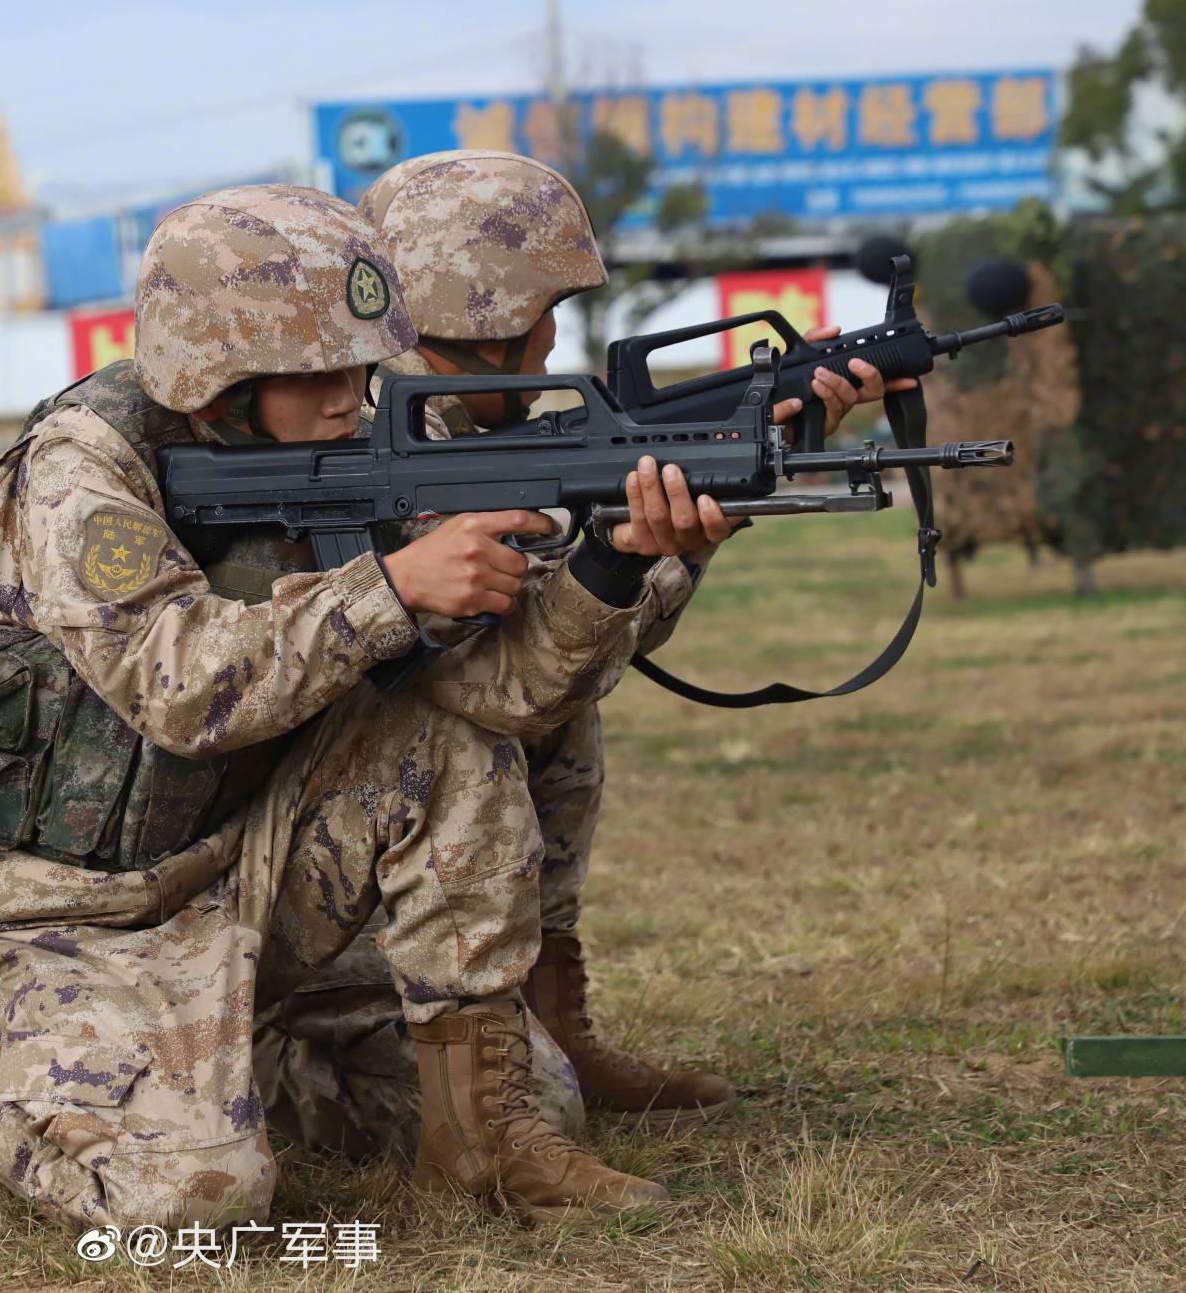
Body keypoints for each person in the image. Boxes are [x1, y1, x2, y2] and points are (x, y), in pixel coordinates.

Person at [0, 184, 734, 1233]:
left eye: (360, 366)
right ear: (215, 374)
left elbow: (500, 696)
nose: (348, 398)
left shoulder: (356, 450)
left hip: (242, 877)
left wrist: (615, 564)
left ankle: (481, 1142)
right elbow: (175, 683)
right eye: (315, 372)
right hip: (62, 916)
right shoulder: (79, 473)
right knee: (192, 1202)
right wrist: (392, 589)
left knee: (451, 782)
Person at [253, 150, 917, 1157]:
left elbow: (572, 640)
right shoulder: (375, 442)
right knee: (494, 717)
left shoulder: (485, 419)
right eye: (546, 308)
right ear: (491, 319)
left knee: (569, 705)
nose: (556, 332)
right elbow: (497, 690)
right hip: (302, 860)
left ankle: (550, 1017)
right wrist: (626, 557)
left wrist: (678, 540)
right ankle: (274, 1068)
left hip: (373, 828)